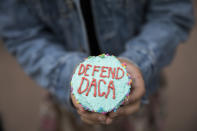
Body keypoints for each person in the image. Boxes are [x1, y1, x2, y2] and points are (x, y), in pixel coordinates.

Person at [0, 0, 194, 131]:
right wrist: (67, 76)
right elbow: (22, 34)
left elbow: (171, 14)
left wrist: (139, 61)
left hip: (140, 92)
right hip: (65, 101)